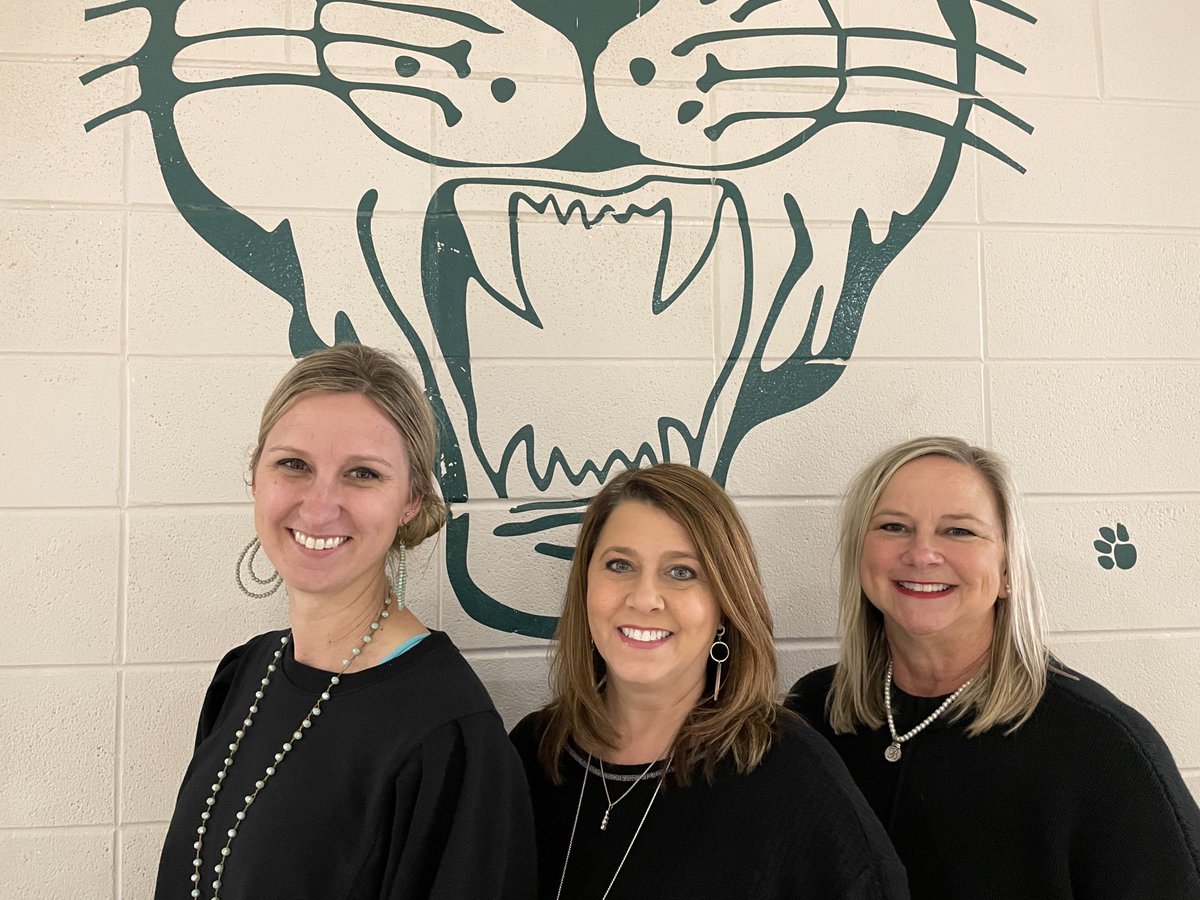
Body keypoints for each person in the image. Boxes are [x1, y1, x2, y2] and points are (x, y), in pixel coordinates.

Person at [155, 343, 535, 899]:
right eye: (294, 464)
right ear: (254, 476)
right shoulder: (244, 674)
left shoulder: (449, 737)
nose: (318, 505)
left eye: (362, 473)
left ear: (411, 500)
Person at [788, 436, 1200, 899]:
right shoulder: (811, 715)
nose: (922, 553)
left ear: (1007, 571)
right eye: (893, 526)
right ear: (860, 558)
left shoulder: (1102, 748)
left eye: (959, 531)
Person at [510, 463, 909, 899]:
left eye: (682, 572)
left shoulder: (791, 775)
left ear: (723, 605)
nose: (644, 598)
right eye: (619, 565)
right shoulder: (533, 751)